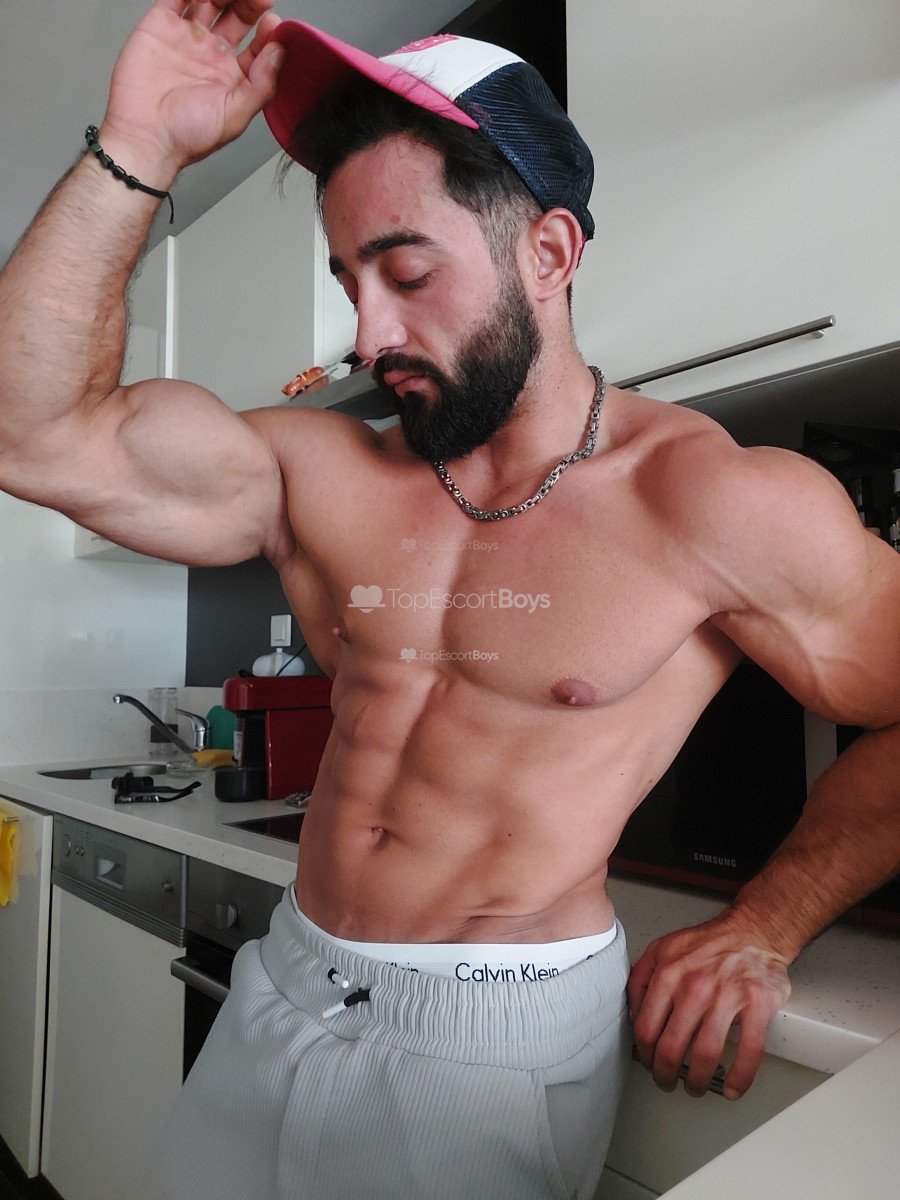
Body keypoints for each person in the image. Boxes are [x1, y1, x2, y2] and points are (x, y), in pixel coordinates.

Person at [1, 1, 899, 1196]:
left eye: (408, 271)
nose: (369, 334)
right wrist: (137, 148)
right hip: (287, 978)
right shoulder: (320, 473)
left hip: (494, 1039)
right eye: (349, 279)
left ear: (551, 254)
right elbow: (33, 434)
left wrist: (764, 927)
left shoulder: (711, 502)